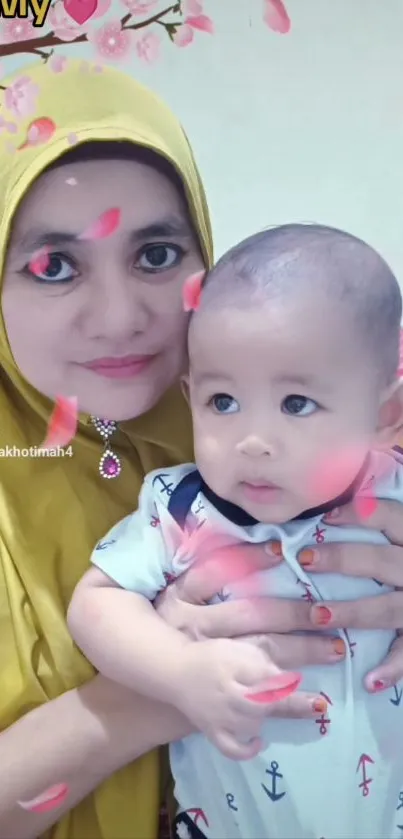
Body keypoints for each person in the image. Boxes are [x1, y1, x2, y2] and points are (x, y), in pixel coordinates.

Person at [0, 58, 403, 839]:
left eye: (155, 255)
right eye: (54, 267)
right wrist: (164, 684)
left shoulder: (327, 421)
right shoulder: (177, 506)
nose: (120, 318)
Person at [69, 224, 403, 839]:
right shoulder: (183, 506)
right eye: (223, 402)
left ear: (385, 415)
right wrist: (177, 672)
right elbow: (96, 602)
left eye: (296, 403)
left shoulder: (393, 494)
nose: (251, 440)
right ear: (190, 395)